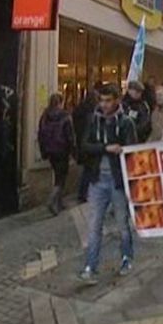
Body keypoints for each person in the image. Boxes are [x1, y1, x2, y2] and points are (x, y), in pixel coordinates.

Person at [78, 83, 138, 285]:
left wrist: (123, 151)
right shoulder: (93, 120)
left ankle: (126, 258)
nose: (104, 104)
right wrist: (106, 148)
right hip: (97, 180)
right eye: (101, 100)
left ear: (116, 101)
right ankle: (90, 266)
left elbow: (132, 151)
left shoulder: (126, 122)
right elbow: (85, 145)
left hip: (117, 180)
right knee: (94, 225)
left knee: (122, 223)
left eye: (108, 100)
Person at [38, 93, 75, 215]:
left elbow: (40, 135)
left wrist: (43, 151)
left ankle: (59, 203)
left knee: (57, 174)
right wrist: (72, 151)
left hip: (50, 151)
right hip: (62, 150)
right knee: (61, 178)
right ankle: (52, 200)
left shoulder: (44, 116)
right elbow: (70, 136)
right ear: (60, 102)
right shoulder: (65, 116)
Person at [73, 84, 100, 202]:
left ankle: (85, 192)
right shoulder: (92, 113)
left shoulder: (79, 109)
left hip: (81, 142)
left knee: (87, 169)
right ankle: (83, 193)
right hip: (89, 143)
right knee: (89, 170)